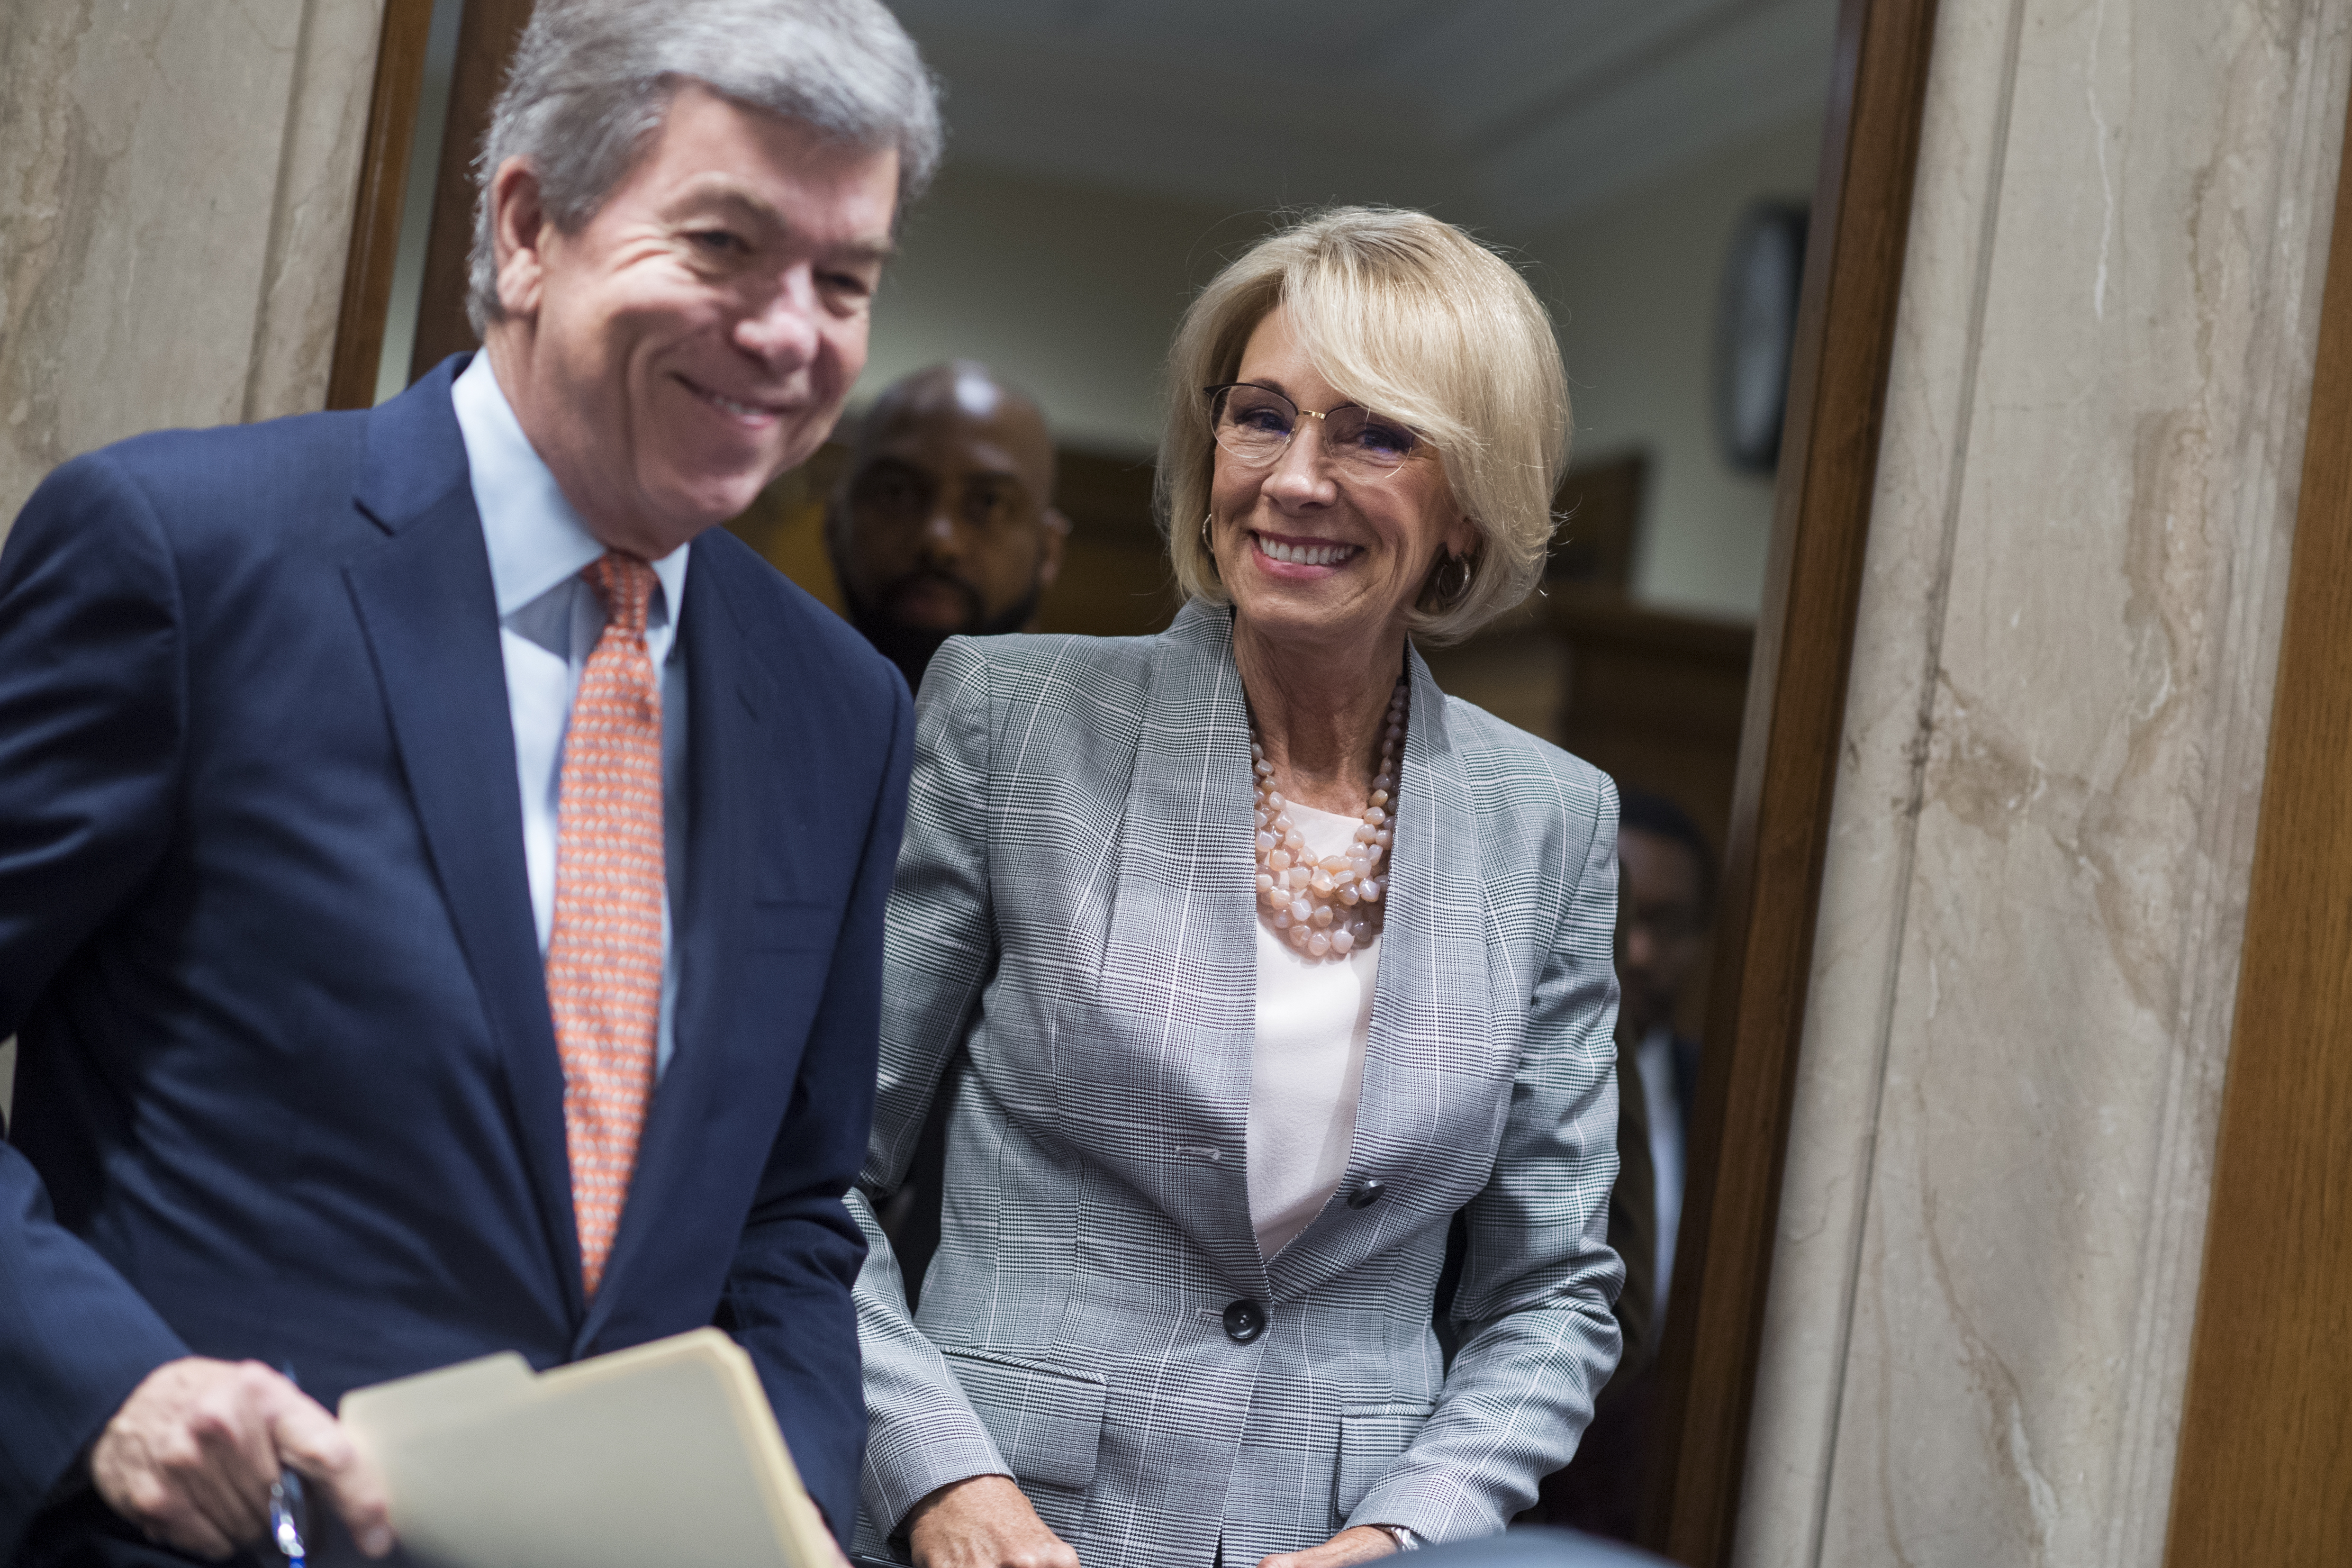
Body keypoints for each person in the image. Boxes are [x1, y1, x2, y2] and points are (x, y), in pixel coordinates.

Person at [0, 2, 938, 1562]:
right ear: (527, 227)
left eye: (843, 282)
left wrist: (787, 1511)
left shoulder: (843, 706)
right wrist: (106, 1385)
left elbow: (786, 1211)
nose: (790, 332)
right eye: (723, 246)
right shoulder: (184, 557)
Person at [849, 207, 1624, 1568]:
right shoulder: (1012, 717)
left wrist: (1403, 1530)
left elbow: (1551, 1292)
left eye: (1371, 433)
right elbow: (816, 1182)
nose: (1294, 479)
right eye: (1260, 416)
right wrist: (941, 1484)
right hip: (998, 1537)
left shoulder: (1551, 818)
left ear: (1468, 502)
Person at [826, 361, 1070, 694]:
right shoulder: (749, 716)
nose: (939, 541)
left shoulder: (1107, 741)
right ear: (836, 524)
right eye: (897, 493)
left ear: (1050, 551)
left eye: (989, 502)